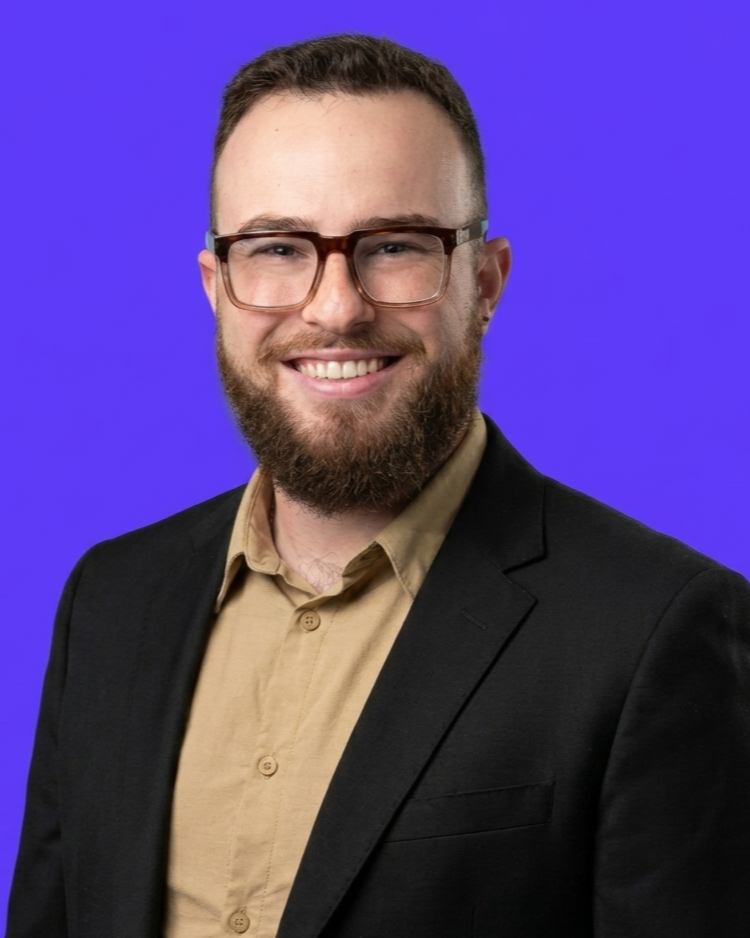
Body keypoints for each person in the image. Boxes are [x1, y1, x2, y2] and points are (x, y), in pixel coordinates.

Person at [7, 33, 750, 938]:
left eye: (395, 243)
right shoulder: (110, 601)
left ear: (485, 282)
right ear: (215, 285)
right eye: (277, 248)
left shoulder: (657, 632)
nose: (334, 306)